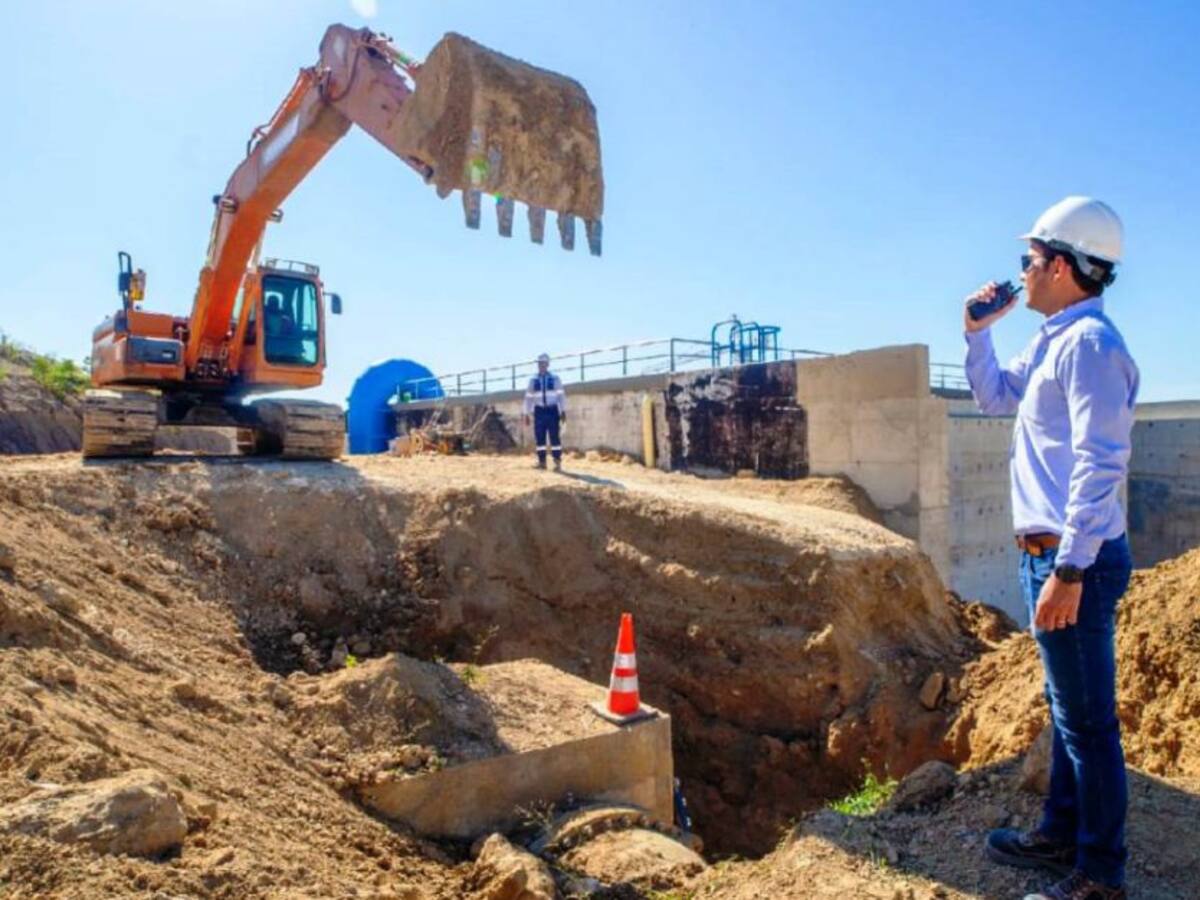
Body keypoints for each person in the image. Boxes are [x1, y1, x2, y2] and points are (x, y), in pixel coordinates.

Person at [965, 197, 1138, 900]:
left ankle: (1100, 874)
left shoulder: (1091, 347)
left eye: (1029, 262)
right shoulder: (1053, 341)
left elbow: (1102, 465)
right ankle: (1059, 833)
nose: (1021, 274)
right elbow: (993, 397)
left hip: (1077, 562)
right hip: (1053, 557)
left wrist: (1068, 568)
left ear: (1061, 266)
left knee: (1090, 722)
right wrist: (976, 333)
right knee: (1069, 709)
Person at [523, 353, 566, 471]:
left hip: (552, 410)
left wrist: (563, 411)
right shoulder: (533, 380)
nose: (541, 365)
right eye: (539, 363)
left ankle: (557, 462)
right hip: (539, 411)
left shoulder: (555, 378)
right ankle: (542, 462)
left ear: (548, 364)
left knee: (554, 437)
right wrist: (526, 413)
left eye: (543, 363)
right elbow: (528, 398)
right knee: (540, 437)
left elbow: (561, 396)